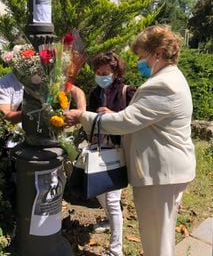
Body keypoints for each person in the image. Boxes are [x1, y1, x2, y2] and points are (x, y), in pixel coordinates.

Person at [65, 25, 196, 256]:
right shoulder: (168, 77)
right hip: (163, 172)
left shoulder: (163, 84)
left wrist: (82, 116)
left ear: (157, 53)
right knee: (158, 235)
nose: (139, 62)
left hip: (161, 175)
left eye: (141, 56)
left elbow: (126, 121)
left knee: (157, 241)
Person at [88, 52, 135, 256]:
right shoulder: (94, 93)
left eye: (105, 72)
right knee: (99, 191)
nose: (101, 76)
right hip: (99, 149)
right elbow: (88, 118)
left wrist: (113, 116)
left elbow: (136, 120)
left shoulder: (128, 92)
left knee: (113, 199)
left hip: (119, 149)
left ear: (116, 72)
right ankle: (109, 219)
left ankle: (116, 251)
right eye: (98, 73)